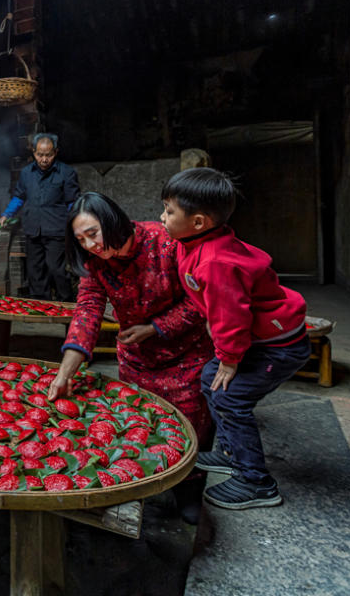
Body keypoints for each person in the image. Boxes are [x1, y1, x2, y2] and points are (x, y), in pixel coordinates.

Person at [47, 192, 214, 522]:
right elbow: (87, 313)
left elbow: (201, 301)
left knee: (191, 428)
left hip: (186, 358)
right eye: (81, 240)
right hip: (137, 361)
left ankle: (190, 490)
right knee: (140, 425)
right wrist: (65, 372)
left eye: (93, 233)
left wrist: (154, 328)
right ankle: (145, 484)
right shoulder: (96, 265)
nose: (90, 246)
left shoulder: (166, 241)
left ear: (111, 220)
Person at [160, 167, 310, 510]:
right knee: (211, 380)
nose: (162, 218)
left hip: (277, 346)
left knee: (230, 398)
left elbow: (232, 315)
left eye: (169, 212)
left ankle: (257, 482)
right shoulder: (196, 241)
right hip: (258, 340)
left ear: (198, 222)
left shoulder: (215, 261)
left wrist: (229, 358)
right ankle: (230, 452)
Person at [0, 133, 81, 301]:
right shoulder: (26, 173)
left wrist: (76, 223)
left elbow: (73, 202)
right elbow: (19, 196)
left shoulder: (67, 173)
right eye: (40, 155)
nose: (44, 159)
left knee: (56, 269)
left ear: (56, 152)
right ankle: (40, 304)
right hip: (32, 228)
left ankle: (65, 302)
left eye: (48, 155)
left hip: (56, 230)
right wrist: (7, 214)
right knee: (35, 269)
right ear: (34, 153)